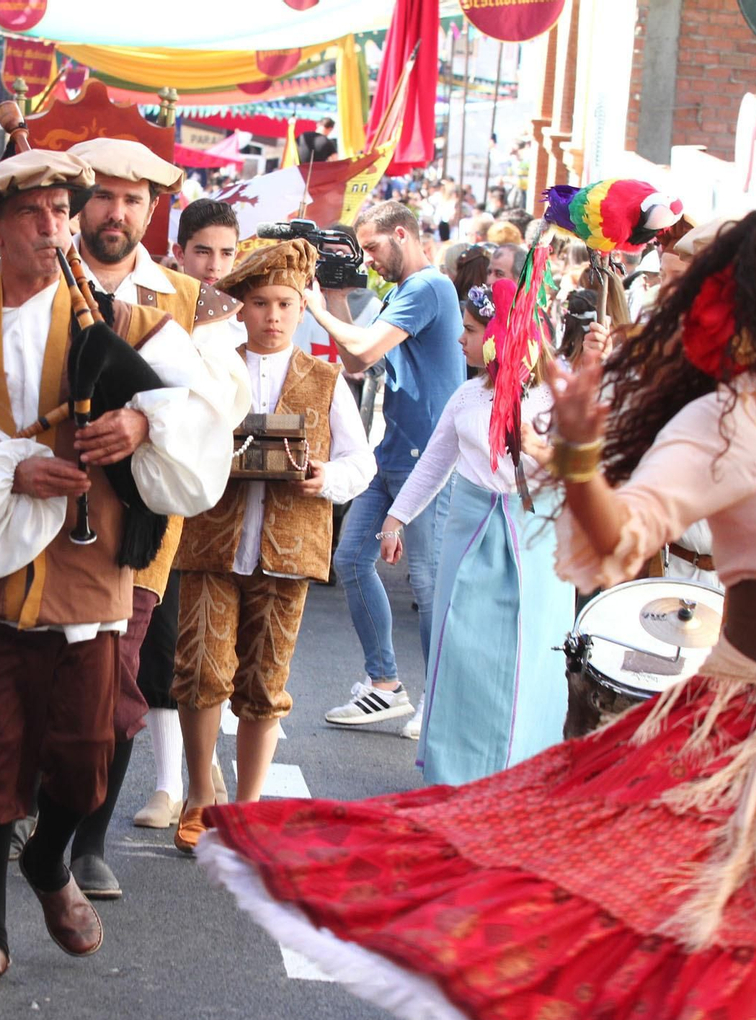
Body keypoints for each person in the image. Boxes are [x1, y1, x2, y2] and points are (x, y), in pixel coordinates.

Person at [200, 206, 756, 1020]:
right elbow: (619, 538)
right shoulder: (727, 422)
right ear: (753, 304)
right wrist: (579, 458)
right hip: (753, 741)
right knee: (731, 976)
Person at [0, 149, 232, 987]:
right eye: (33, 213)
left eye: (60, 211)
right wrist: (3, 470)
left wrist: (143, 431)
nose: (53, 226)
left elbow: (198, 410)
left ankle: (48, 860)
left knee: (85, 755)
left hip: (86, 568)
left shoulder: (129, 320)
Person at [60, 136, 249, 889]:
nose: (116, 211)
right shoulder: (43, 276)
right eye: (103, 194)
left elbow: (224, 401)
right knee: (42, 679)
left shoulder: (192, 300)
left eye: (133, 199)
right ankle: (32, 816)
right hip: (43, 506)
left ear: (152, 209)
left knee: (116, 682)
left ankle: (88, 842)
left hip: (139, 523)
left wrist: (147, 422)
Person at [171, 240, 374, 853]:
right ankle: (200, 796)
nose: (274, 316)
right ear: (242, 306)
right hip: (212, 539)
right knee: (201, 668)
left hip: (287, 548)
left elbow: (359, 460)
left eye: (285, 303)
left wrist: (325, 479)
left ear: (302, 307)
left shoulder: (325, 378)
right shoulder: (212, 368)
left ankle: (249, 806)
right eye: (260, 303)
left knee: (265, 678)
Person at [380, 278, 573, 784]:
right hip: (468, 533)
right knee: (459, 649)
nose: (459, 340)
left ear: (499, 335)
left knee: (525, 656)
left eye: (469, 330)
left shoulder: (559, 395)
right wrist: (396, 518)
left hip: (536, 539)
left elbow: (586, 467)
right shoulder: (467, 394)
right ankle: (452, 774)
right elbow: (436, 461)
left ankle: (520, 769)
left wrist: (537, 448)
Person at [302, 200, 466, 732]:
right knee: (350, 560)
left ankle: (442, 701)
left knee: (426, 583)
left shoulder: (429, 288)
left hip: (430, 462)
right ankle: (384, 685)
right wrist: (334, 299)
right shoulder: (400, 293)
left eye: (372, 248)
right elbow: (355, 360)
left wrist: (315, 307)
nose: (367, 260)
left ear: (403, 234)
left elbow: (365, 351)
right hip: (391, 453)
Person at [171, 197, 241, 287]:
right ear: (180, 254)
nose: (215, 266)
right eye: (203, 252)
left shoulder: (247, 299)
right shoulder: (160, 300)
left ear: (235, 256)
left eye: (226, 254)